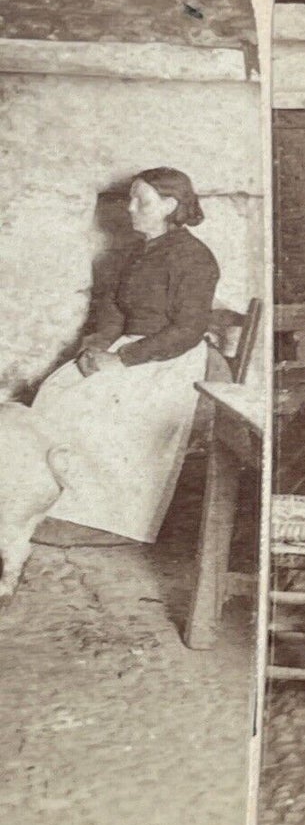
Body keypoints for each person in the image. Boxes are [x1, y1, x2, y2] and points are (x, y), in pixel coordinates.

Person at [31, 167, 221, 547]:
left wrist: (122, 359)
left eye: (141, 200)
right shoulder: (138, 252)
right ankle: (60, 505)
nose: (131, 208)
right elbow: (117, 308)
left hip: (169, 357)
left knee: (101, 408)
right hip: (129, 348)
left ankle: (108, 519)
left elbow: (187, 330)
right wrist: (98, 345)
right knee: (56, 391)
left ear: (170, 205)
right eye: (131, 198)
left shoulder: (195, 259)